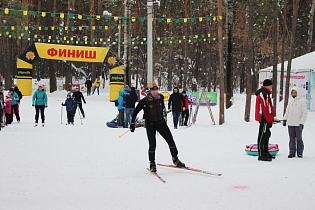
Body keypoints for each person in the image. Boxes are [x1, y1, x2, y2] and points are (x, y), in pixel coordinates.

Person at [130, 83, 186, 173]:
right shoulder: (145, 101)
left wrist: (164, 115)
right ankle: (152, 163)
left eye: (156, 91)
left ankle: (175, 159)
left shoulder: (161, 97)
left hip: (160, 122)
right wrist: (132, 123)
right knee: (152, 144)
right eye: (153, 91)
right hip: (150, 124)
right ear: (150, 91)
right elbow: (135, 111)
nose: (155, 93)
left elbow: (162, 107)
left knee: (170, 140)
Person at [255, 79, 278, 162]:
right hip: (263, 118)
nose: (271, 87)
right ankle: (261, 154)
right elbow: (265, 108)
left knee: (267, 134)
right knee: (262, 136)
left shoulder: (266, 94)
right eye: (270, 85)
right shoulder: (263, 94)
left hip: (266, 118)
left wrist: (271, 119)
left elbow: (268, 108)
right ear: (267, 86)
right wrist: (269, 120)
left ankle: (265, 152)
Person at [283, 87, 307, 158]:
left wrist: (301, 123)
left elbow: (304, 113)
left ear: (298, 93)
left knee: (299, 139)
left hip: (298, 123)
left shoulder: (302, 101)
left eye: (295, 93)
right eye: (292, 93)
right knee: (291, 139)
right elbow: (287, 111)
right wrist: (285, 119)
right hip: (290, 123)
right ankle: (292, 152)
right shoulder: (290, 101)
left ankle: (300, 152)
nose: (294, 94)